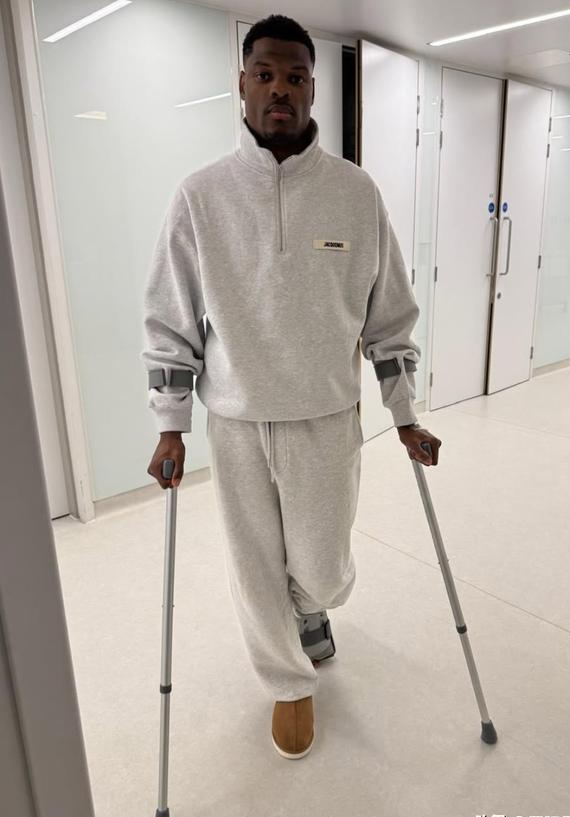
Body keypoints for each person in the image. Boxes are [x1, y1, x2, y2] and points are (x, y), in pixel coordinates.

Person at [141, 13, 441, 760]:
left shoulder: (355, 194)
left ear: (313, 87)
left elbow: (389, 316)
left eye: (296, 77)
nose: (280, 89)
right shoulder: (200, 196)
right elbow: (171, 317)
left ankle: (311, 610)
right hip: (238, 421)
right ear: (242, 84)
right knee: (253, 566)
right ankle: (288, 683)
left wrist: (405, 413)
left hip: (326, 417)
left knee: (323, 569)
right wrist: (171, 423)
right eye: (266, 74)